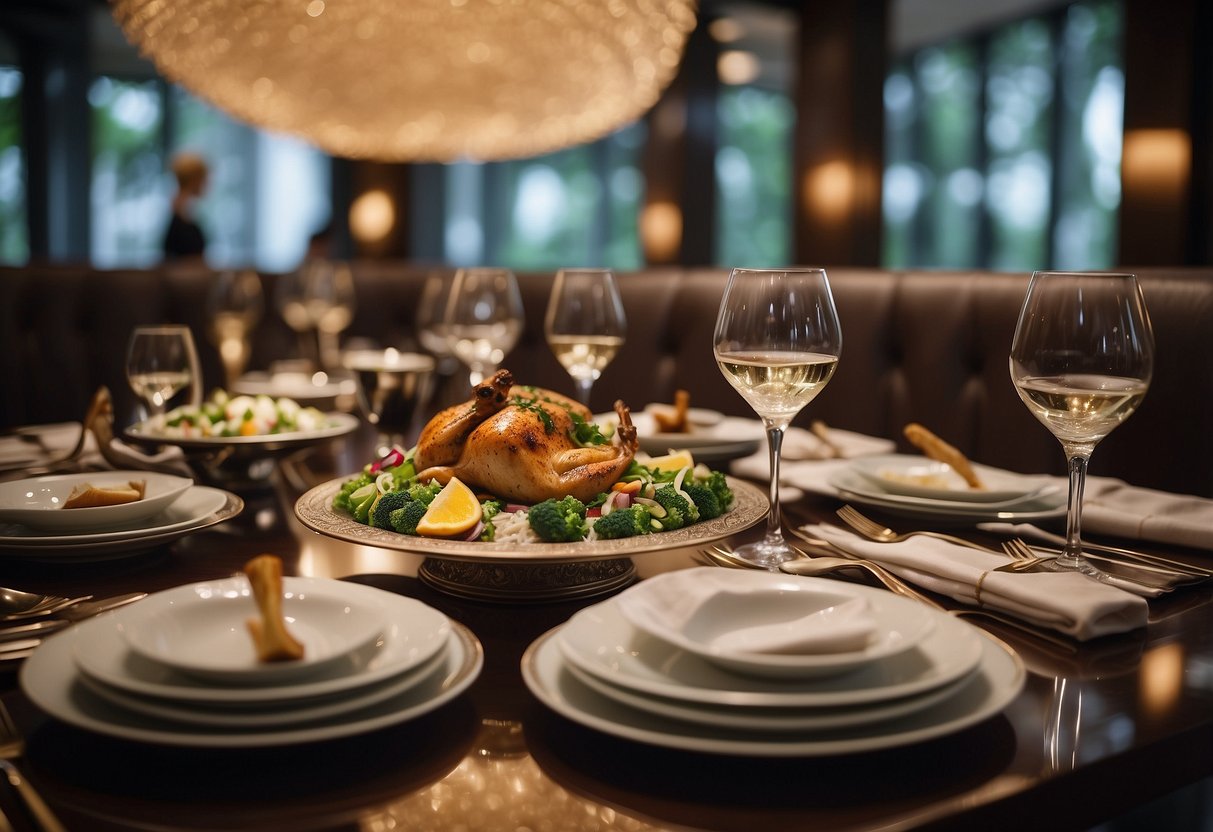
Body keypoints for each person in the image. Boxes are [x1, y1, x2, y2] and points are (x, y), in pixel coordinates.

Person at [162, 152, 209, 261]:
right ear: (195, 180)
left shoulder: (185, 210)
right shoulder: (182, 214)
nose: (207, 182)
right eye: (204, 178)